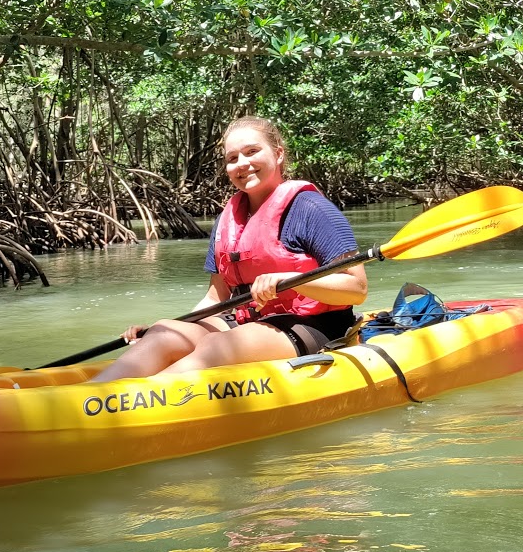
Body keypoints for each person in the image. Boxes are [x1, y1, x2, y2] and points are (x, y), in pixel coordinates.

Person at [91, 117, 367, 381]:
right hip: (248, 322)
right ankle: (87, 397)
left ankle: (117, 407)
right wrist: (169, 326)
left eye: (252, 151)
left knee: (218, 345)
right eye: (232, 158)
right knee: (165, 332)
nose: (242, 164)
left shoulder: (311, 209)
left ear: (279, 154)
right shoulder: (229, 219)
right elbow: (216, 299)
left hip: (316, 325)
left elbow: (356, 288)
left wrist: (289, 281)